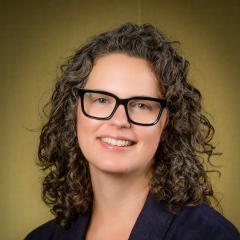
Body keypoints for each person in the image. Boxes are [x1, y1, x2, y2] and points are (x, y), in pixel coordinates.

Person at [25, 22, 239, 240]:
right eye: (101, 100)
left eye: (141, 105)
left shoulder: (211, 234)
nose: (119, 121)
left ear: (167, 122)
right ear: (74, 112)